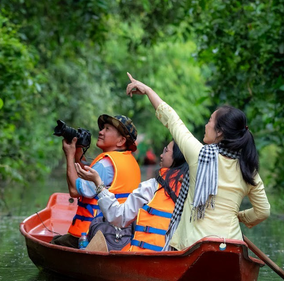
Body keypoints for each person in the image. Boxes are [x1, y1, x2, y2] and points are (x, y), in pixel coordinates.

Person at [125, 73, 270, 251]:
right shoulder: (248, 167)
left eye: (210, 121)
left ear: (219, 132)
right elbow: (263, 211)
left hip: (194, 246)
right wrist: (238, 216)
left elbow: (172, 120)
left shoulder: (199, 154)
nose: (206, 125)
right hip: (232, 246)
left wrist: (147, 90)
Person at [76, 140, 189, 252]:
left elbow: (119, 217)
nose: (161, 155)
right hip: (174, 258)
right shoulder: (193, 190)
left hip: (145, 258)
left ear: (177, 158)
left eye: (166, 151)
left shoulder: (151, 187)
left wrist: (99, 184)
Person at [51, 114, 141, 248]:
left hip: (93, 233)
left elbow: (75, 191)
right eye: (102, 128)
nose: (100, 132)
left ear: (121, 141)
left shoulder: (105, 164)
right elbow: (86, 177)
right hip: (121, 233)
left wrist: (69, 154)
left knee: (55, 243)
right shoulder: (129, 161)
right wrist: (78, 153)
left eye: (107, 129)